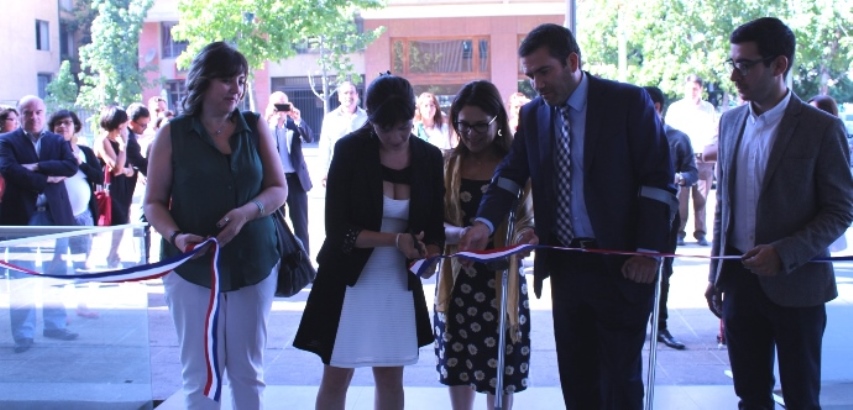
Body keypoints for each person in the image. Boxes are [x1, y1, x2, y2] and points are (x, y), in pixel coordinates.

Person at [460, 24, 675, 409]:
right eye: (531, 75)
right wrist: (483, 224)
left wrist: (648, 251)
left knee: (620, 380)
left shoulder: (626, 103)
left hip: (623, 266)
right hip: (566, 268)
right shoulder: (534, 116)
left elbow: (658, 181)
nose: (537, 84)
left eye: (544, 72)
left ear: (572, 62)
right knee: (576, 379)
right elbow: (509, 177)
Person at [705, 17, 853, 410]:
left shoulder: (822, 128)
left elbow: (840, 210)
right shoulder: (730, 121)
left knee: (801, 397)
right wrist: (716, 273)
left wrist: (784, 253)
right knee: (750, 396)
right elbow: (724, 207)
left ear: (779, 65)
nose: (735, 75)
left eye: (745, 65)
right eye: (732, 63)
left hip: (798, 284)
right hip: (739, 280)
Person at [143, 41, 287, 409]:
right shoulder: (171, 134)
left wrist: (247, 212)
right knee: (200, 374)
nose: (236, 89)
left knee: (248, 371)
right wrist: (176, 236)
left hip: (252, 264)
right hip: (191, 269)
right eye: (226, 80)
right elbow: (154, 204)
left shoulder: (254, 127)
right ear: (202, 81)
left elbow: (278, 189)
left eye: (240, 80)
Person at [293, 73, 445, 410]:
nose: (395, 136)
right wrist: (396, 240)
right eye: (384, 128)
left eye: (403, 127)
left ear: (413, 117)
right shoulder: (350, 151)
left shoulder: (430, 158)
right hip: (348, 277)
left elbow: (434, 225)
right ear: (370, 118)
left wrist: (430, 254)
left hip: (397, 281)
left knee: (391, 378)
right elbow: (338, 230)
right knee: (337, 375)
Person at [435, 80, 535, 409]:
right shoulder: (448, 164)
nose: (471, 134)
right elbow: (432, 219)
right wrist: (459, 236)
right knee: (459, 368)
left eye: (481, 126)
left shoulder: (516, 167)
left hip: (501, 283)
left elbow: (527, 218)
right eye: (463, 125)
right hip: (458, 281)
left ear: (498, 122)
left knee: (501, 369)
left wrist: (523, 238)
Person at [0, 95, 80, 353]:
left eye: (38, 112)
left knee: (56, 272)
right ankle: (23, 335)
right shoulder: (6, 141)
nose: (33, 117)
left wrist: (37, 166)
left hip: (55, 216)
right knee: (21, 275)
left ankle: (54, 325)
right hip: (22, 217)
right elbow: (9, 169)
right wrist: (47, 178)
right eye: (27, 112)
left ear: (44, 113)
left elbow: (69, 166)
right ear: (20, 115)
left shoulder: (57, 141)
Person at [644, 86, 698, 350]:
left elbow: (692, 172)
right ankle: (636, 323)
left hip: (667, 216)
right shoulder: (629, 135)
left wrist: (680, 177)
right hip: (632, 217)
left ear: (656, 107)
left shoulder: (678, 138)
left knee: (663, 273)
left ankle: (661, 326)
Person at [49, 109, 104, 318]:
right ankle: (57, 316)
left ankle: (82, 305)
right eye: (58, 124)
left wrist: (79, 162)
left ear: (75, 127)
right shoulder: (48, 151)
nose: (62, 127)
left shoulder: (84, 151)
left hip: (83, 215)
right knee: (58, 266)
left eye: (66, 123)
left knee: (82, 264)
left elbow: (98, 176)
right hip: (57, 218)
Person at [665, 74, 718, 246]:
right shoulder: (676, 109)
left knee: (701, 198)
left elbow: (715, 133)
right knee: (681, 197)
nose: (692, 92)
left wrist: (708, 153)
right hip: (682, 160)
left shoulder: (708, 109)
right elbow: (668, 133)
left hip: (702, 158)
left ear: (701, 89)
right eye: (689, 89)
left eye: (695, 88)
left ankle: (700, 232)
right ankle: (679, 232)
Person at [265, 92, 313, 253]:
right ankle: (280, 261)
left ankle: (305, 262)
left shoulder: (293, 124)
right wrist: (269, 119)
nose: (281, 108)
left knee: (301, 225)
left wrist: (297, 118)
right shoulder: (265, 127)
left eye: (284, 104)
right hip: (274, 182)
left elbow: (309, 137)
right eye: (277, 105)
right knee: (277, 226)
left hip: (296, 181)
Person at [94, 106, 136, 268]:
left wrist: (126, 170)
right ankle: (108, 255)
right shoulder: (103, 140)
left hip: (122, 186)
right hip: (109, 187)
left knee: (123, 219)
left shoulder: (118, 140)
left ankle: (113, 253)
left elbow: (129, 170)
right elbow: (117, 168)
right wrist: (124, 146)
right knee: (115, 220)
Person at [318, 80, 368, 187]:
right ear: (339, 97)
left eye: (351, 92)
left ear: (357, 95)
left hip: (362, 170)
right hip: (337, 169)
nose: (348, 96)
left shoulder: (366, 118)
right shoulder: (330, 118)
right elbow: (325, 147)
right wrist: (323, 172)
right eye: (345, 93)